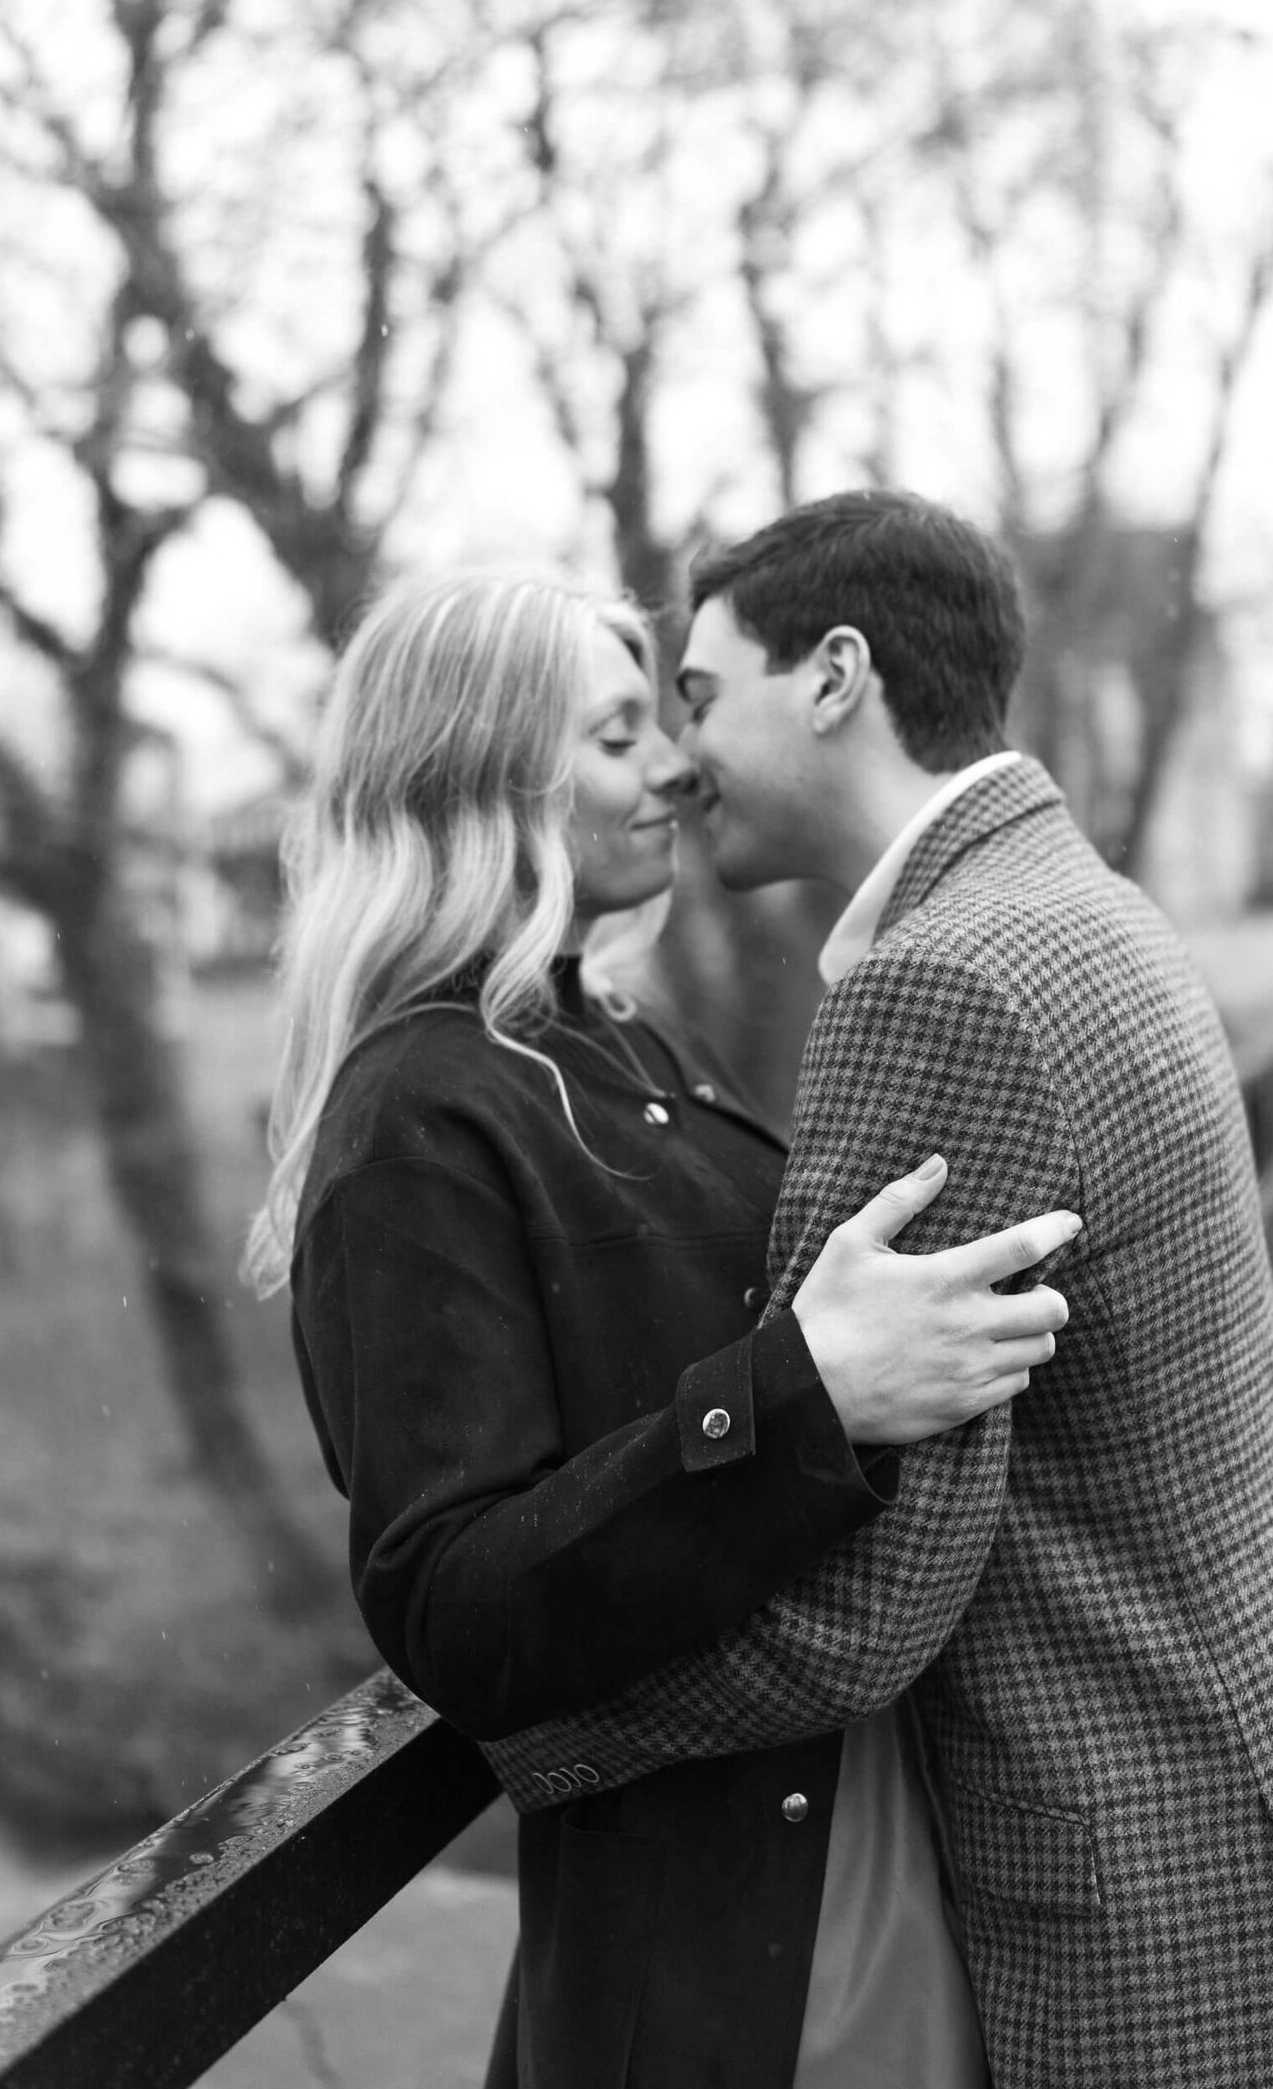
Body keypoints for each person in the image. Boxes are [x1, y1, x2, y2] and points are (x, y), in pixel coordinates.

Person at [480, 491, 1273, 2089]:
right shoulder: (1075, 901)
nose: (679, 762)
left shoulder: (942, 984)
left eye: (697, 698)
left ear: (833, 676)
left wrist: (520, 1720)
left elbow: (872, 1599)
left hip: (1171, 1903)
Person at [246, 570, 1078, 2089]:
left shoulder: (617, 1040)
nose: (676, 770)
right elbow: (455, 1600)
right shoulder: (418, 1117)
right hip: (725, 1952)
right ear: (485, 775)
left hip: (852, 1844)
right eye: (620, 736)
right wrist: (804, 1392)